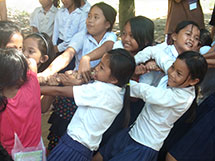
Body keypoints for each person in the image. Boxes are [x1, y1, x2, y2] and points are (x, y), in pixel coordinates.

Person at [93, 49, 207, 161]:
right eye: (172, 66)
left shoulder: (181, 98)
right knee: (98, 157)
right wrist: (133, 63)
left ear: (193, 81)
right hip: (132, 132)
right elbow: (155, 52)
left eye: (179, 73)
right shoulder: (175, 73)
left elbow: (146, 92)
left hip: (144, 146)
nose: (171, 73)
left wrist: (120, 76)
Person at [40, 2, 117, 153]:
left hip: (91, 91)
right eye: (89, 16)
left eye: (96, 17)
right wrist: (47, 73)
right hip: (74, 85)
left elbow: (107, 48)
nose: (90, 20)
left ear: (107, 24)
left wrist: (85, 58)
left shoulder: (111, 37)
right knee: (59, 129)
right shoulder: (82, 35)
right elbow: (67, 55)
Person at [40, 48, 136, 161]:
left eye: (101, 68)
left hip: (72, 146)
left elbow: (60, 91)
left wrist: (35, 88)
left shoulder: (100, 90)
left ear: (114, 79)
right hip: (84, 150)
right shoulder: (118, 93)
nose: (96, 68)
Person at [0, 49, 42, 156]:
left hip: (9, 154)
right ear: (21, 77)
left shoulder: (2, 105)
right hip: (36, 151)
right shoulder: (32, 83)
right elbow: (32, 62)